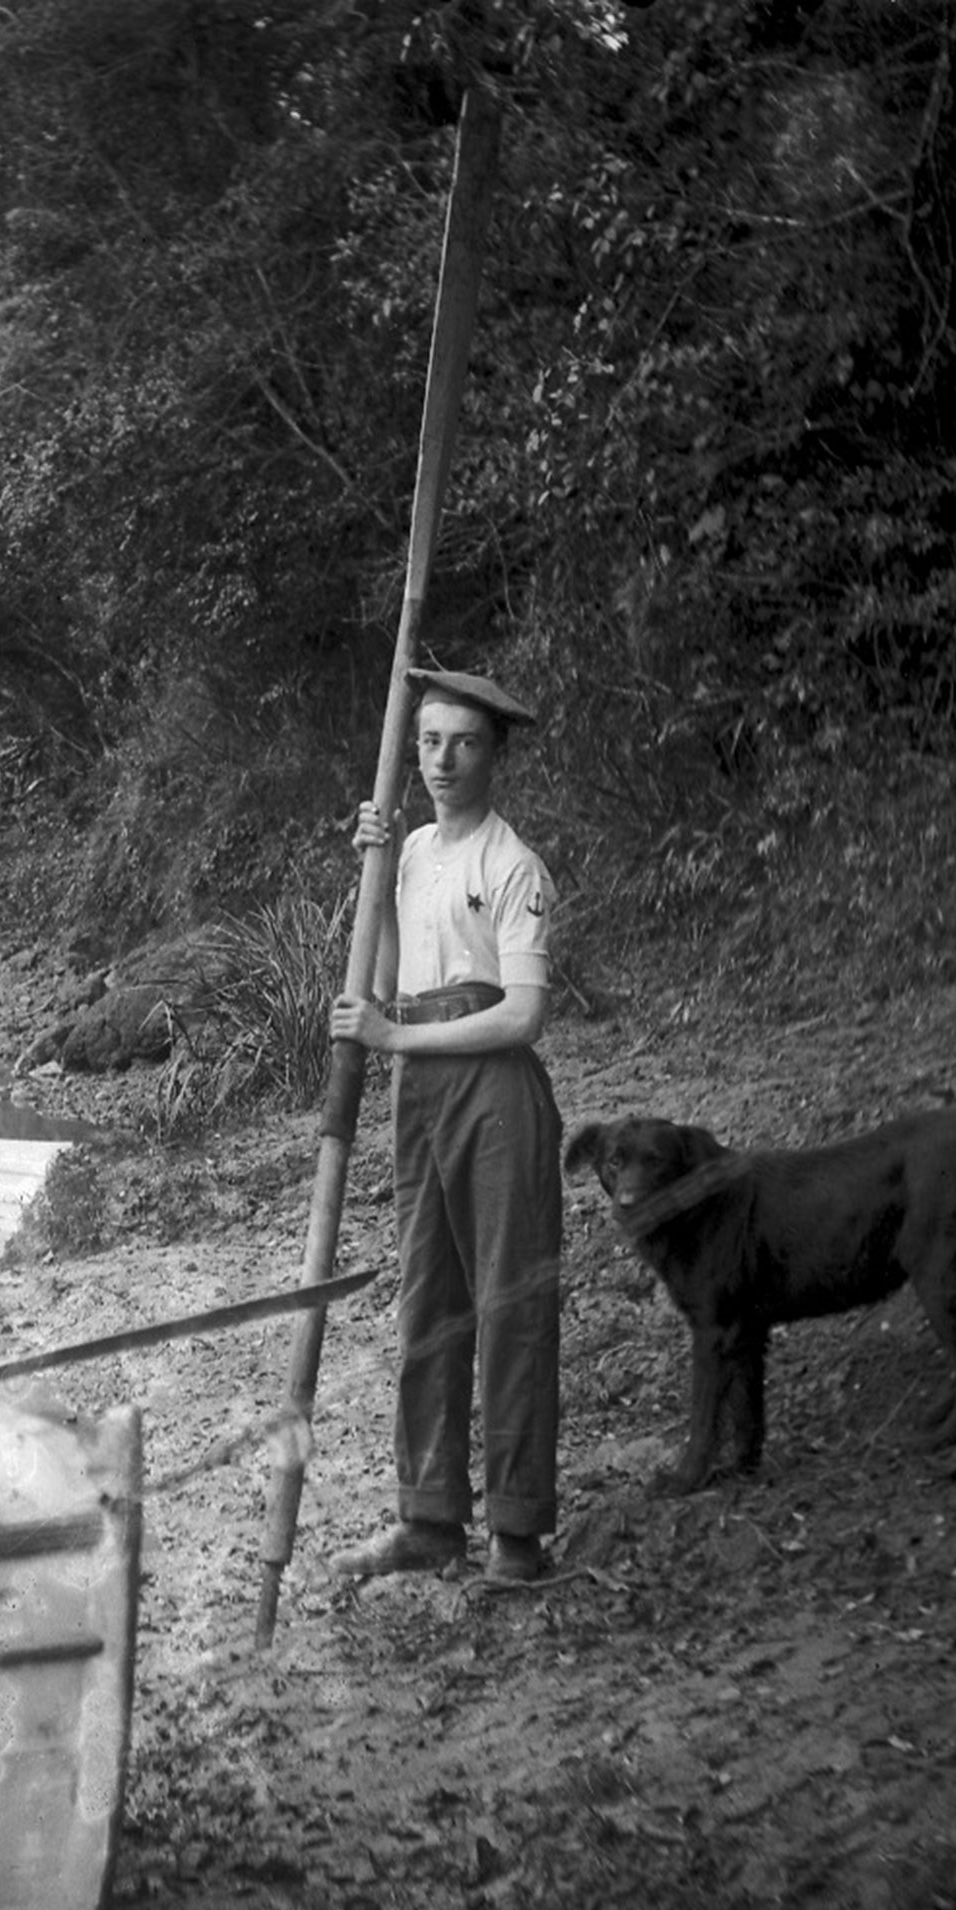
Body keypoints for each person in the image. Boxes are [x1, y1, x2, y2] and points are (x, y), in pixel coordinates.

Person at [326, 668, 565, 1583]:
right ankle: (428, 1517)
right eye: (428, 741)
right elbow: (386, 981)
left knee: (510, 1303)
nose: (442, 760)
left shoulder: (512, 867)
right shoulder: (415, 850)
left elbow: (523, 1014)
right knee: (426, 1299)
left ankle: (517, 1531)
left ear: (494, 753)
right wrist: (376, 878)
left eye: (463, 742)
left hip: (495, 1094)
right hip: (418, 1090)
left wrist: (394, 1035)